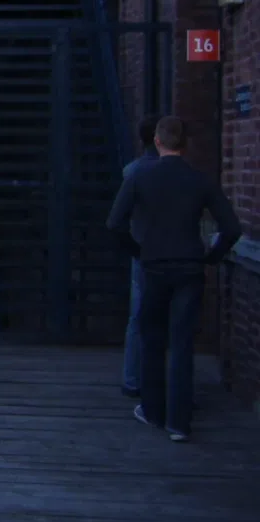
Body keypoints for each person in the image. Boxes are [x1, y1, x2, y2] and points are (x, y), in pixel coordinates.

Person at [105, 116, 241, 441]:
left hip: (153, 265)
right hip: (189, 268)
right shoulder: (200, 180)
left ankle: (153, 411)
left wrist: (138, 251)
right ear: (185, 143)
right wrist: (211, 256)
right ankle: (179, 423)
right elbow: (232, 228)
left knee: (152, 340)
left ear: (157, 141)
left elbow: (114, 223)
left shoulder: (140, 177)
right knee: (182, 344)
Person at [119, 118, 160, 397]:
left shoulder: (132, 170)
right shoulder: (171, 171)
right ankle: (153, 380)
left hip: (143, 250)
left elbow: (118, 220)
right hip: (165, 251)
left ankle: (133, 378)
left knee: (138, 317)